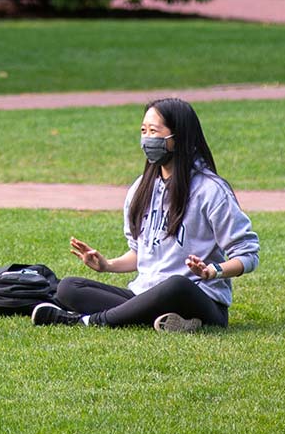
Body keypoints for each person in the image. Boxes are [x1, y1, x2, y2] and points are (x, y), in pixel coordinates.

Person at [30, 97, 259, 333]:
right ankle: (165, 320)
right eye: (143, 131)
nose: (147, 139)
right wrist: (107, 265)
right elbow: (141, 253)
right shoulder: (141, 187)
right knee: (68, 287)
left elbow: (248, 255)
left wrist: (213, 271)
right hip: (145, 293)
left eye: (154, 131)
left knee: (176, 285)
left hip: (199, 299)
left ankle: (88, 320)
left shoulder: (210, 190)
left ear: (178, 137)